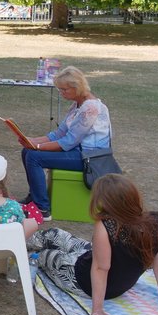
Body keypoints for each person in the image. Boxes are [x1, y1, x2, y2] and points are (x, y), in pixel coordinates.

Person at [28, 174, 158, 315]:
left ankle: (21, 245)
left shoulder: (106, 226)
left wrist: (97, 309)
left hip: (81, 280)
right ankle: (23, 239)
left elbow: (100, 269)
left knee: (47, 255)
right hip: (112, 281)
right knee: (55, 234)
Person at [20, 66, 112, 221]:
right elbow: (58, 133)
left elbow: (67, 142)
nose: (61, 93)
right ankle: (34, 197)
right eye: (60, 89)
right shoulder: (77, 105)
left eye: (64, 90)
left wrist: (37, 146)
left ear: (77, 87)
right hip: (79, 151)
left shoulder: (90, 108)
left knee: (33, 157)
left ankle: (42, 208)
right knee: (27, 152)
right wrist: (31, 140)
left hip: (90, 158)